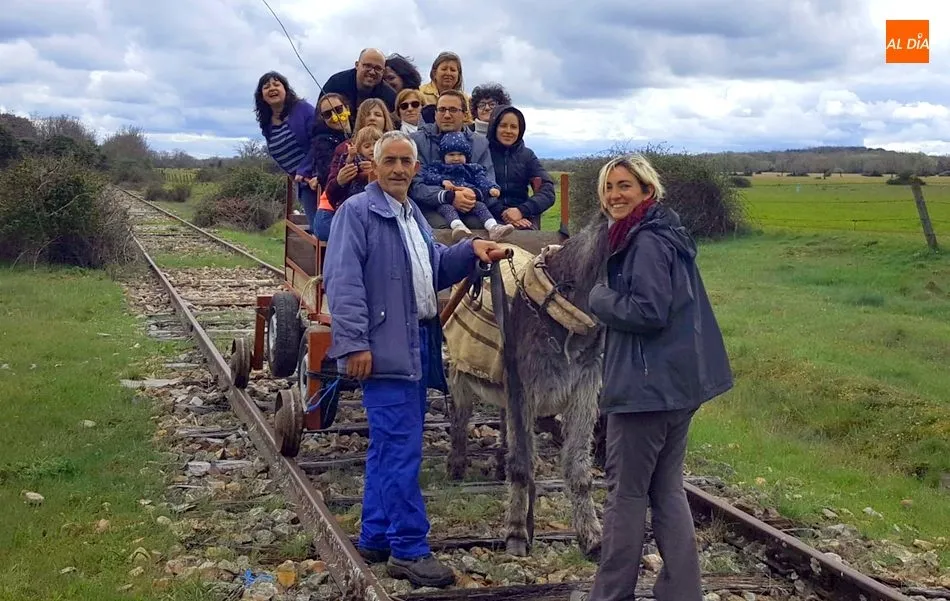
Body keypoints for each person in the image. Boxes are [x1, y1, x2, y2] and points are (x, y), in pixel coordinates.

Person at [322, 130, 505, 588]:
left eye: (407, 161)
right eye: (391, 161)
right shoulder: (357, 212)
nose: (400, 169)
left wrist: (470, 251)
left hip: (417, 341)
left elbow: (434, 265)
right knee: (402, 448)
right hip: (385, 348)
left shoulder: (411, 215)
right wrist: (354, 345)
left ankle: (376, 535)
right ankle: (409, 548)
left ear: (416, 169)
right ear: (375, 166)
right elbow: (342, 284)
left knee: (390, 445)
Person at [570, 154, 734, 601]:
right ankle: (682, 593)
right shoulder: (664, 233)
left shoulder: (644, 242)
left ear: (647, 191)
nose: (614, 195)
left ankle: (610, 595)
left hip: (646, 390)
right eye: (608, 187)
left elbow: (648, 310)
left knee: (624, 496)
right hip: (677, 385)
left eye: (625, 186)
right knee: (667, 491)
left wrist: (600, 298)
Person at [409, 91, 494, 230]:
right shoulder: (417, 141)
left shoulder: (480, 143)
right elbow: (416, 186)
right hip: (430, 206)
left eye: (453, 110)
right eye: (442, 110)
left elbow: (490, 182)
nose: (447, 115)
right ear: (435, 114)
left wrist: (472, 195)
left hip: (472, 205)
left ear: (465, 115)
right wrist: (449, 197)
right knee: (442, 228)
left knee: (480, 227)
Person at [254, 71, 318, 233]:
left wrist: (304, 169)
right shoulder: (267, 123)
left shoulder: (303, 109)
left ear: (286, 89)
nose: (272, 88)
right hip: (303, 185)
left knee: (323, 230)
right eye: (266, 86)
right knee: (317, 230)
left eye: (276, 84)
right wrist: (294, 174)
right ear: (261, 95)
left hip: (319, 178)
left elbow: (319, 142)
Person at [418, 132, 513, 242]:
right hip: (447, 200)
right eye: (451, 155)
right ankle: (459, 228)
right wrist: (442, 181)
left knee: (481, 206)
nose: (456, 158)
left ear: (466, 156)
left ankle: (493, 228)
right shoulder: (438, 168)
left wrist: (491, 187)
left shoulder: (471, 168)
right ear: (443, 156)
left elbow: (481, 180)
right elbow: (428, 177)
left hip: (470, 199)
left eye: (460, 154)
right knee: (447, 209)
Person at [486, 104, 556, 229]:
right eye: (503, 125)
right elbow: (477, 188)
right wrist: (503, 213)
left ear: (520, 130)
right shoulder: (483, 152)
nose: (508, 131)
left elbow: (548, 191)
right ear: (494, 127)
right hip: (488, 215)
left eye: (513, 127)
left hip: (522, 217)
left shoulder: (527, 156)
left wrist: (521, 211)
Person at [320, 48, 397, 130]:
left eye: (378, 68)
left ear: (383, 71)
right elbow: (320, 120)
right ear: (357, 65)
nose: (372, 72)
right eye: (367, 66)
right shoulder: (336, 84)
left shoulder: (389, 96)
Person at [418, 51, 471, 125]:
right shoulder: (420, 93)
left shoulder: (464, 98)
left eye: (453, 70)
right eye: (444, 69)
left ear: (458, 75)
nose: (448, 73)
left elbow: (468, 123)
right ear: (434, 73)